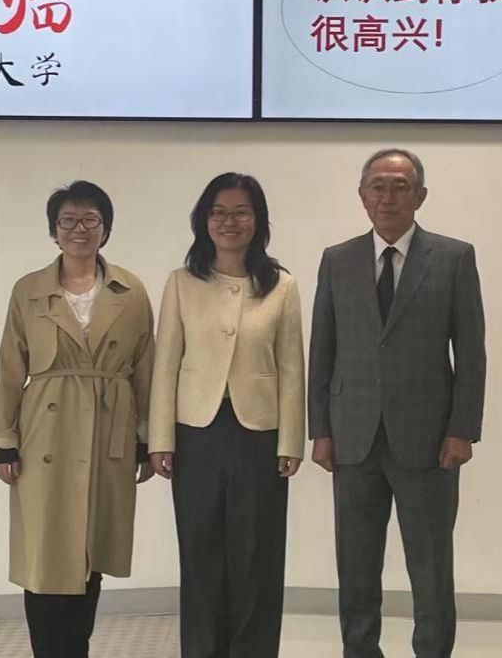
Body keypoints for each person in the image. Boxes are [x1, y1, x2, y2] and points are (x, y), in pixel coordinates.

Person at [308, 148, 486, 658]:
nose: (387, 197)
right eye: (378, 186)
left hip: (429, 441)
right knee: (356, 564)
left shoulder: (453, 258)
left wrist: (463, 430)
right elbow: (323, 350)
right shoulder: (337, 260)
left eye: (400, 186)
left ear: (420, 196)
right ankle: (360, 650)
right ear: (362, 196)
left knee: (430, 567)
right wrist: (321, 429)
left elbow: (471, 352)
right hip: (353, 438)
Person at [0, 181, 155, 658]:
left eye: (90, 220)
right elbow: (9, 367)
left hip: (109, 429)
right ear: (54, 230)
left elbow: (147, 366)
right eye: (68, 221)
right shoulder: (29, 290)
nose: (79, 229)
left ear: (106, 229)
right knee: (44, 551)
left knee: (90, 548)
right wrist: (3, 438)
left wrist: (147, 436)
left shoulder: (131, 289)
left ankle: (76, 648)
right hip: (46, 432)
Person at [149, 172, 305, 658]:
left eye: (241, 212)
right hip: (195, 433)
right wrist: (160, 439)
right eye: (218, 212)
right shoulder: (182, 283)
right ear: (204, 220)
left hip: (259, 434)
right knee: (200, 553)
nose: (229, 221)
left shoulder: (281, 286)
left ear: (258, 221)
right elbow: (165, 364)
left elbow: (292, 368)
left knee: (256, 555)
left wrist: (291, 441)